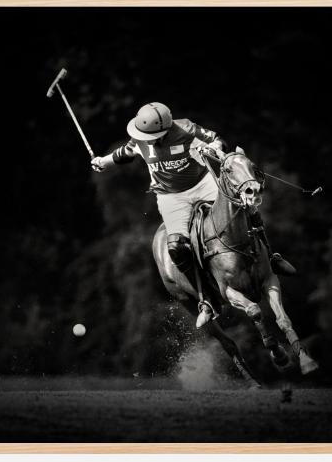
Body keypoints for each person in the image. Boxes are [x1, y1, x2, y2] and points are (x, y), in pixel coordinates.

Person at [91, 102, 295, 326]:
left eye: (152, 136)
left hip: (202, 184)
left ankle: (272, 259)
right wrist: (103, 161)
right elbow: (124, 153)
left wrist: (213, 147)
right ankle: (205, 299)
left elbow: (217, 139)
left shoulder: (186, 129)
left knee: (245, 209)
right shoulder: (140, 138)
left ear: (165, 130)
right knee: (176, 247)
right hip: (171, 197)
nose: (147, 139)